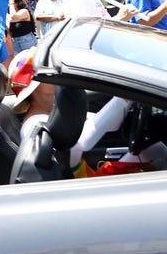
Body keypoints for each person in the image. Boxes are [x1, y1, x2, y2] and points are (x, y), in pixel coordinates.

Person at [9, 48, 166, 178]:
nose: (56, 73)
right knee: (157, 152)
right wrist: (123, 98)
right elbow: (82, 142)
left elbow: (108, 124)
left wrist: (127, 103)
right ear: (36, 85)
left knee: (156, 149)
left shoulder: (49, 112)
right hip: (84, 187)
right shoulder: (33, 125)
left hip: (87, 176)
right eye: (48, 70)